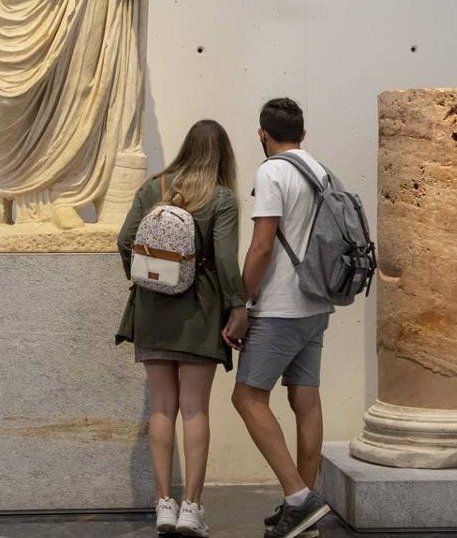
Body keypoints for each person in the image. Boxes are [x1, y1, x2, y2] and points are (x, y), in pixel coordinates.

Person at [116, 120, 248, 537]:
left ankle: (163, 506)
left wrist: (145, 280)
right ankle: (192, 506)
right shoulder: (221, 198)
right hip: (200, 312)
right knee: (194, 410)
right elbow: (226, 261)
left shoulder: (153, 188)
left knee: (161, 409)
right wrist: (237, 307)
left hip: (153, 311)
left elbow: (124, 241)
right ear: (223, 155)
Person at [223, 98, 333, 538]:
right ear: (303, 133)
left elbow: (262, 247)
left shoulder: (272, 172)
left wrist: (241, 304)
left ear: (262, 134)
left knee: (247, 398)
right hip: (317, 304)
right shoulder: (319, 171)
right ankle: (304, 510)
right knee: (305, 402)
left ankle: (298, 498)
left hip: (280, 306)